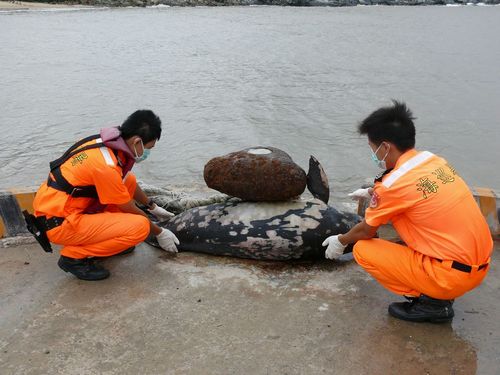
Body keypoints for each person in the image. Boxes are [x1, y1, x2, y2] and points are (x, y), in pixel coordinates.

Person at [322, 101, 493, 323]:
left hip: (452, 275)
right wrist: (373, 192)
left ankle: (433, 304)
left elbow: (366, 230)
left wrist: (340, 241)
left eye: (372, 148)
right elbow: (411, 191)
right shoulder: (433, 161)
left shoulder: (392, 186)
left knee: (363, 249)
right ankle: (439, 292)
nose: (373, 154)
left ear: (385, 147)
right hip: (478, 265)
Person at [32, 110, 180, 281]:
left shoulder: (104, 143)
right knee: (141, 227)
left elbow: (126, 180)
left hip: (60, 207)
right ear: (137, 141)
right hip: (60, 223)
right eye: (148, 148)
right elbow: (128, 207)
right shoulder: (107, 166)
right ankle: (72, 257)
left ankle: (110, 241)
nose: (147, 153)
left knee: (129, 181)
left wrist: (152, 206)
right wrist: (160, 232)